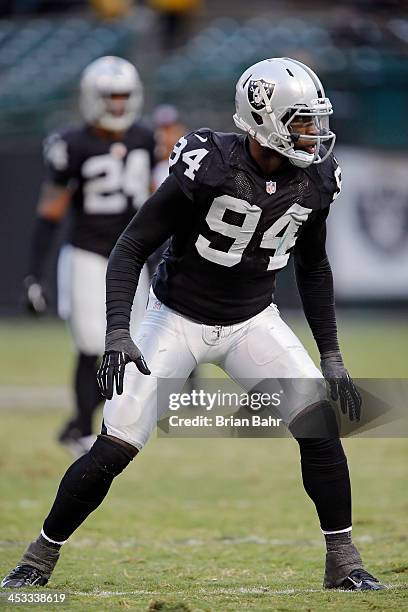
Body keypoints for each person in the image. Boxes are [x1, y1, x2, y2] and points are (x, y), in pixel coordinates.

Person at [3, 57, 385, 591]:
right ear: (264, 118)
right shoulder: (210, 161)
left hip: (254, 321)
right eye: (300, 120)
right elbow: (132, 244)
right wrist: (119, 330)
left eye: (316, 120)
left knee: (320, 428)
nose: (313, 133)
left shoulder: (318, 176)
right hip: (175, 319)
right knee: (113, 445)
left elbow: (314, 266)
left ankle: (344, 561)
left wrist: (333, 354)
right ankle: (37, 559)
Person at [23, 56, 155, 457]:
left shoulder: (145, 138)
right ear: (92, 98)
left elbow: (154, 199)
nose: (117, 106)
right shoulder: (71, 144)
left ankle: (90, 423)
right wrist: (33, 275)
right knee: (90, 344)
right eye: (110, 97)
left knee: (136, 346)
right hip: (87, 254)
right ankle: (82, 428)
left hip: (131, 255)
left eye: (123, 97)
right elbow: (50, 214)